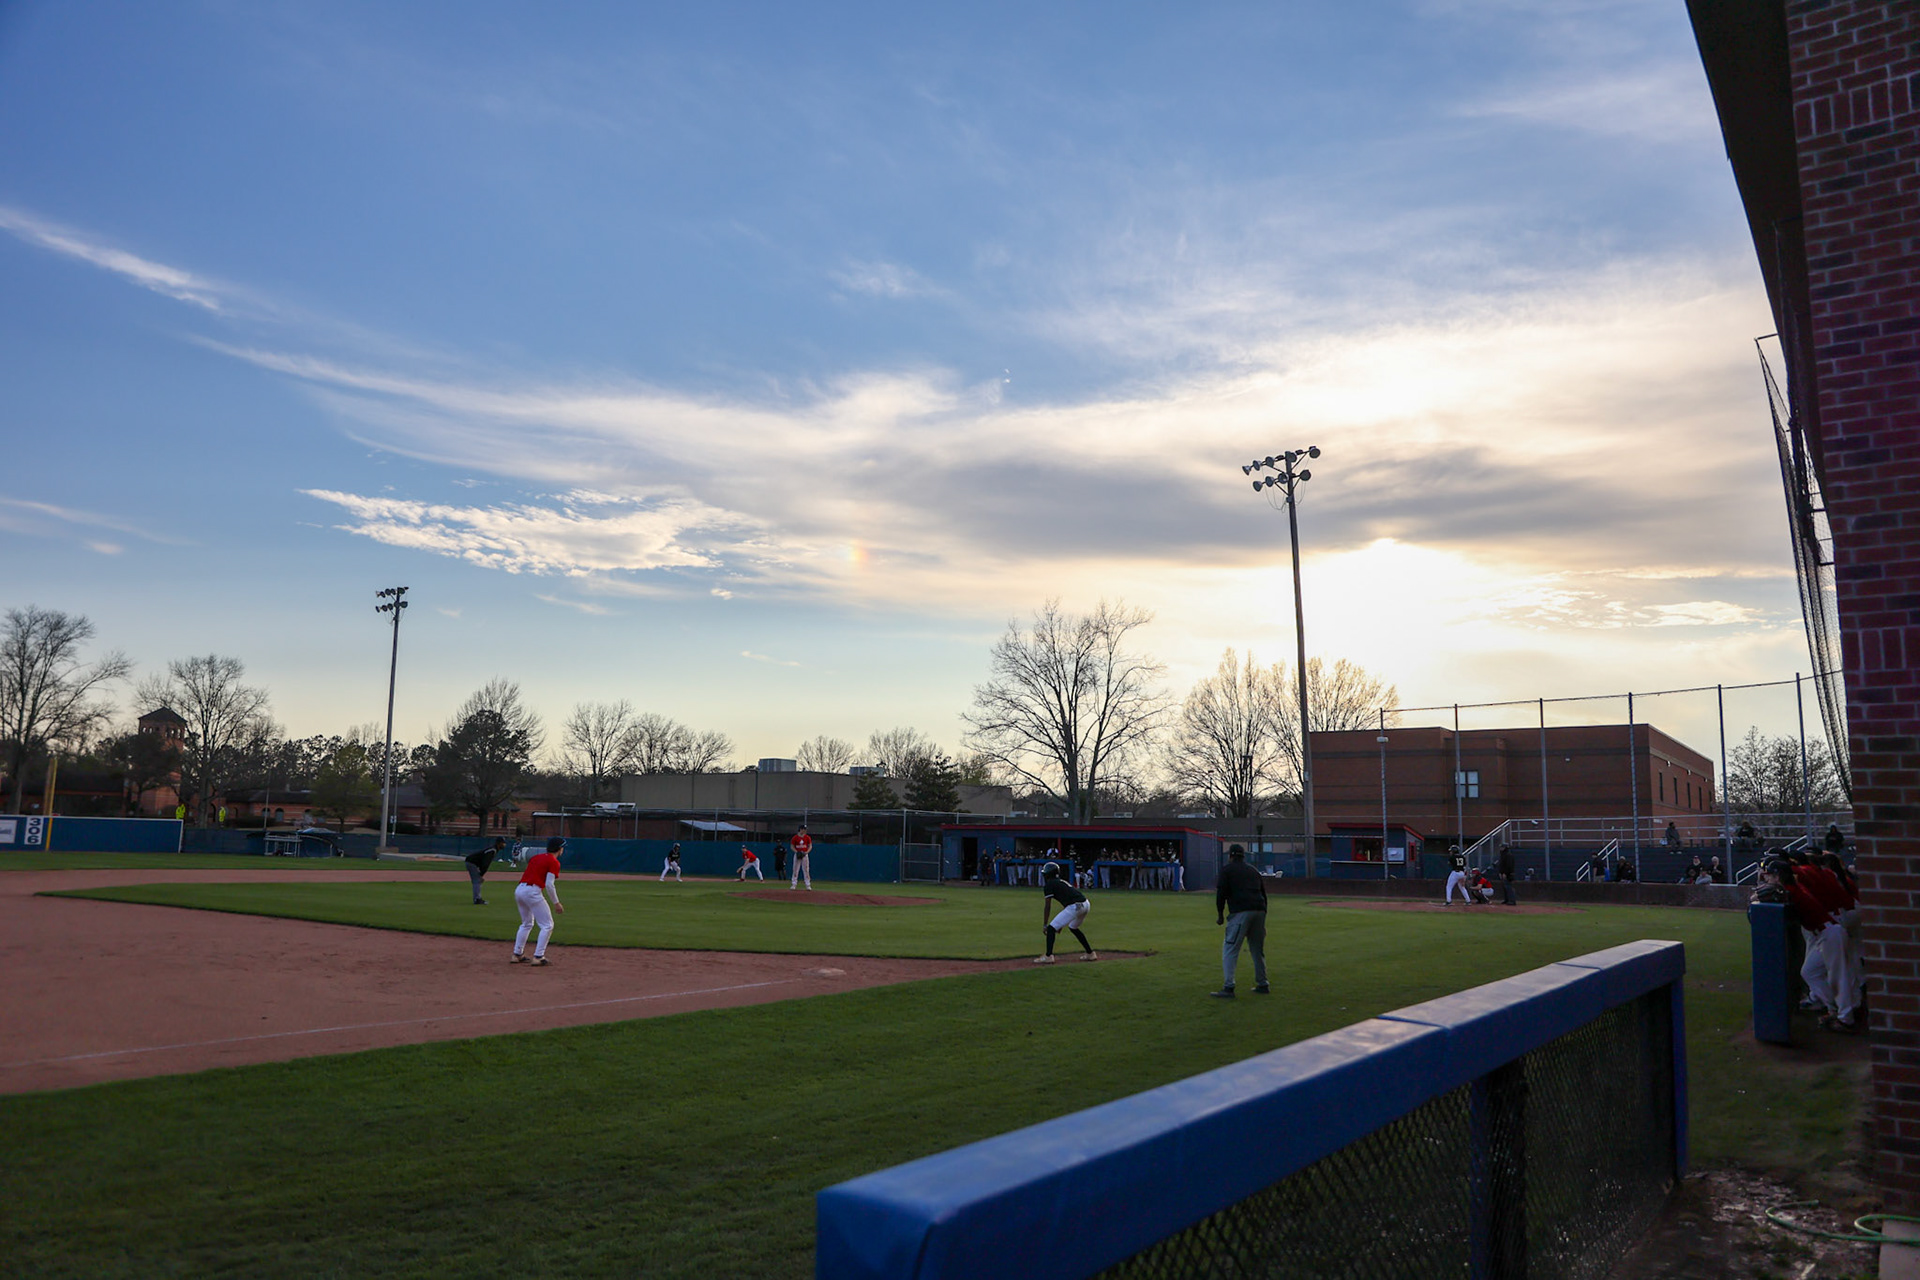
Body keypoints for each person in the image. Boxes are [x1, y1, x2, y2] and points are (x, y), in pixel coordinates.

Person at [1212, 844, 1268, 998]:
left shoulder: (1227, 870)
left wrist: (1220, 915)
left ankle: (1228, 987)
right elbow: (1263, 894)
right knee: (1257, 949)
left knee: (1230, 948)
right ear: (1243, 856)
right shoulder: (1253, 870)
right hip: (1259, 909)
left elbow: (1221, 894)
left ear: (1230, 856)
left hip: (1241, 911)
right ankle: (1263, 983)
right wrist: (1263, 917)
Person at [511, 837, 566, 966]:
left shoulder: (536, 857)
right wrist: (556, 903)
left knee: (526, 924)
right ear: (559, 849)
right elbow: (549, 885)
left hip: (519, 890)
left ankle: (517, 954)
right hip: (532, 892)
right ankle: (538, 956)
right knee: (547, 925)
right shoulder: (554, 861)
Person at [1034, 860, 1095, 964]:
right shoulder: (1060, 881)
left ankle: (1048, 956)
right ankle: (1090, 954)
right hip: (1085, 904)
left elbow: (1047, 906)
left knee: (1051, 928)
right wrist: (1061, 923)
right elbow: (1067, 901)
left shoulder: (1049, 885)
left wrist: (1045, 924)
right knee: (1073, 927)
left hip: (1075, 906)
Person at [464, 836, 505, 905]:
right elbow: (486, 863)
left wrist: (481, 874)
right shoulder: (492, 850)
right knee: (477, 880)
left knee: (478, 880)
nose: (504, 845)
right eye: (503, 843)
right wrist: (481, 874)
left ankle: (477, 898)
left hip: (472, 862)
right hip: (471, 862)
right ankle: (477, 899)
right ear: (499, 843)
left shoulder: (493, 849)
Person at [790, 826, 814, 890]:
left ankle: (808, 884)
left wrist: (806, 852)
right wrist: (796, 852)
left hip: (804, 854)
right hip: (797, 854)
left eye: (805, 829)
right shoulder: (795, 837)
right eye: (804, 829)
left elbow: (810, 846)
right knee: (795, 869)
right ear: (800, 829)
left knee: (806, 869)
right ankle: (794, 884)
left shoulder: (807, 837)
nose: (805, 831)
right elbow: (792, 846)